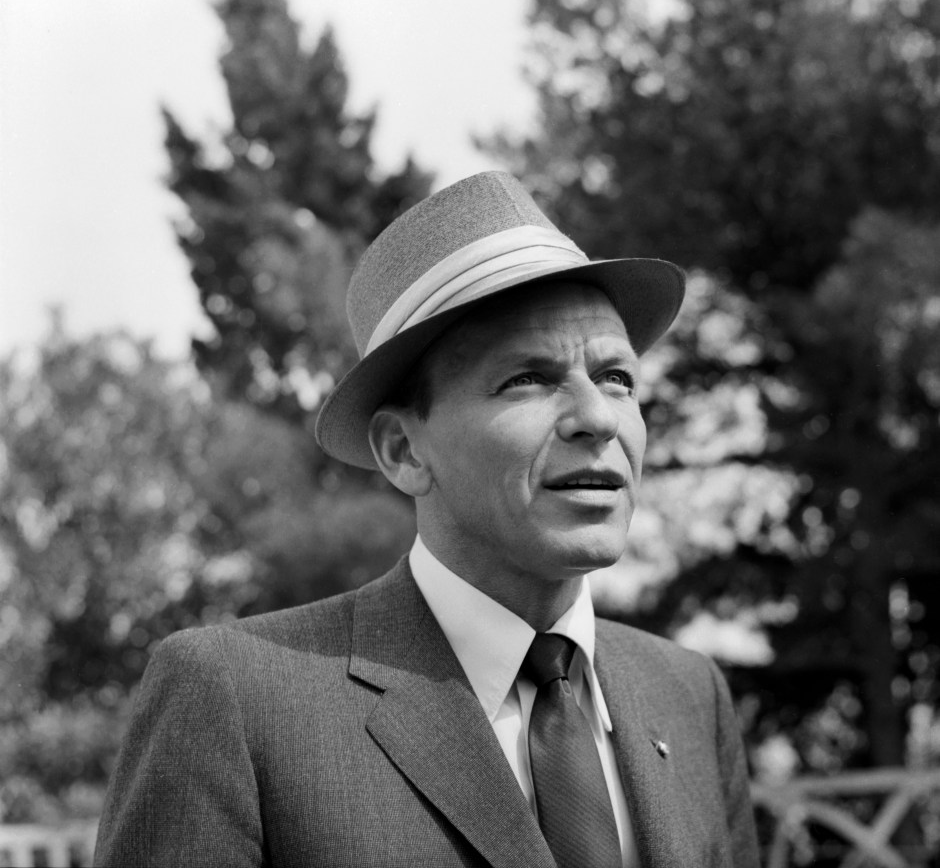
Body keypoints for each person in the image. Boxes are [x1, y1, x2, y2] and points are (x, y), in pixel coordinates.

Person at [94, 171, 760, 867]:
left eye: (618, 378)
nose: (598, 417)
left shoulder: (689, 694)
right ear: (404, 450)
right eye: (527, 378)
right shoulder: (234, 699)